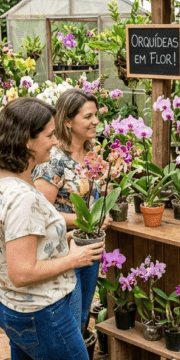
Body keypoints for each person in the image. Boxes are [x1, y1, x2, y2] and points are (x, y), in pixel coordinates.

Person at [0, 97, 103, 360]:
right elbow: (22, 271)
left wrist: (61, 239)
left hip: (11, 306)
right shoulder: (23, 197)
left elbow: (14, 241)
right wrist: (73, 259)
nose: (54, 141)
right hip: (42, 313)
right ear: (26, 141)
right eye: (49, 135)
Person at [33, 88, 105, 336]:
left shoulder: (92, 154)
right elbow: (40, 213)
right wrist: (86, 221)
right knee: (68, 322)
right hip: (64, 251)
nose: (95, 121)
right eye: (88, 116)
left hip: (89, 247)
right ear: (67, 121)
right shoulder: (54, 159)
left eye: (96, 115)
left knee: (83, 316)